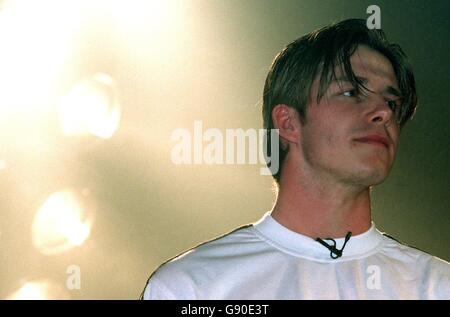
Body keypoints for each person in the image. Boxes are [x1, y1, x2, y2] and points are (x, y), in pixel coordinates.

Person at [141, 18, 450, 299]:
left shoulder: (438, 285)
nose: (383, 112)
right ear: (288, 123)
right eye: (350, 92)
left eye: (391, 101)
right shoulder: (191, 288)